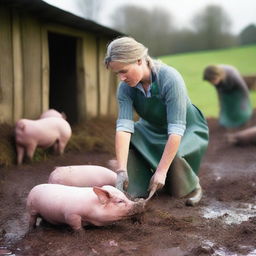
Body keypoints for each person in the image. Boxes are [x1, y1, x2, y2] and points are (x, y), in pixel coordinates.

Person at [105, 37, 209, 206]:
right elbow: (124, 128)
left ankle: (192, 186)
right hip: (151, 128)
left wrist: (161, 171)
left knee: (175, 178)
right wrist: (121, 170)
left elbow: (176, 128)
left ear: (139, 60)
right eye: (118, 73)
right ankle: (138, 185)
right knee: (131, 139)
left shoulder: (169, 78)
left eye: (124, 71)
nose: (122, 78)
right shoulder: (125, 88)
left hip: (186, 129)